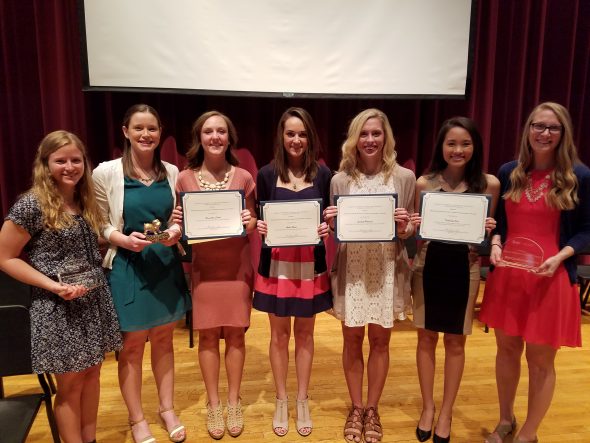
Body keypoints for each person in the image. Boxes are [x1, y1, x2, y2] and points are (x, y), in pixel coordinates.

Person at [0, 130, 122, 443]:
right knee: (70, 386)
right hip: (57, 308)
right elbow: (5, 257)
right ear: (45, 164)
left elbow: (82, 245)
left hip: (92, 301)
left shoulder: (83, 200)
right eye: (60, 160)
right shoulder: (31, 205)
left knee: (93, 375)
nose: (70, 166)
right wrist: (53, 286)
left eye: (76, 159)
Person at [480, 102, 590, 443]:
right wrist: (495, 240)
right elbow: (499, 223)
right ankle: (505, 420)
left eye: (552, 128)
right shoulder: (509, 171)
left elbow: (587, 229)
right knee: (507, 352)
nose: (544, 133)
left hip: (551, 279)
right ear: (527, 130)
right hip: (510, 277)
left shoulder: (579, 176)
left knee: (541, 361)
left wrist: (561, 257)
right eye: (537, 126)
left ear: (563, 133)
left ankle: (528, 434)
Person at [93, 104, 191, 443]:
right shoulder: (105, 173)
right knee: (132, 347)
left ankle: (166, 409)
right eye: (139, 128)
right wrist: (121, 238)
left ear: (160, 132)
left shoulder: (173, 171)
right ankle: (137, 420)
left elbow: (177, 217)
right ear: (125, 131)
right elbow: (99, 222)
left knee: (164, 341)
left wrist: (176, 230)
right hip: (127, 266)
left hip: (164, 265)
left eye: (152, 128)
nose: (146, 134)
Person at [324, 108, 415, 443]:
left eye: (376, 133)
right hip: (353, 269)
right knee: (351, 340)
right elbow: (337, 232)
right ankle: (356, 405)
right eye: (364, 134)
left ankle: (372, 409)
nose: (370, 140)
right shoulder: (339, 179)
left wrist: (405, 226)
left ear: (386, 137)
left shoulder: (404, 177)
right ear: (354, 139)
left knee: (380, 341)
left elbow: (405, 233)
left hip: (387, 269)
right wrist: (332, 224)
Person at [409, 117, 499, 443]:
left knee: (456, 342)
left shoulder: (488, 185)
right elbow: (413, 236)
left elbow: (486, 242)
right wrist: (410, 225)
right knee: (426, 339)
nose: (458, 150)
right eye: (451, 143)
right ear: (441, 147)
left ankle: (446, 411)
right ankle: (428, 407)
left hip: (465, 267)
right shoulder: (424, 184)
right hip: (428, 265)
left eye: (465, 143)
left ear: (475, 147)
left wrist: (489, 232)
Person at [176, 111, 256, 439]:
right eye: (208, 131)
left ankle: (234, 401)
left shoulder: (244, 177)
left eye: (221, 131)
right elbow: (179, 225)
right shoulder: (184, 178)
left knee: (236, 336)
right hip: (205, 271)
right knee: (208, 336)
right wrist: (175, 224)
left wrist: (249, 222)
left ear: (229, 137)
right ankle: (213, 403)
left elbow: (250, 222)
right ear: (199, 137)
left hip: (236, 268)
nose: (215, 137)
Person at [253, 107, 332, 437]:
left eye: (302, 134)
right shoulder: (266, 174)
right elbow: (260, 216)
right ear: (281, 137)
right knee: (279, 335)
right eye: (290, 134)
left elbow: (328, 216)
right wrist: (260, 225)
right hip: (277, 265)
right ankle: (282, 399)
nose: (296, 140)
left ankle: (302, 398)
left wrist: (327, 225)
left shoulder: (325, 174)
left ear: (310, 138)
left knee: (305, 334)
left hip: (310, 265)